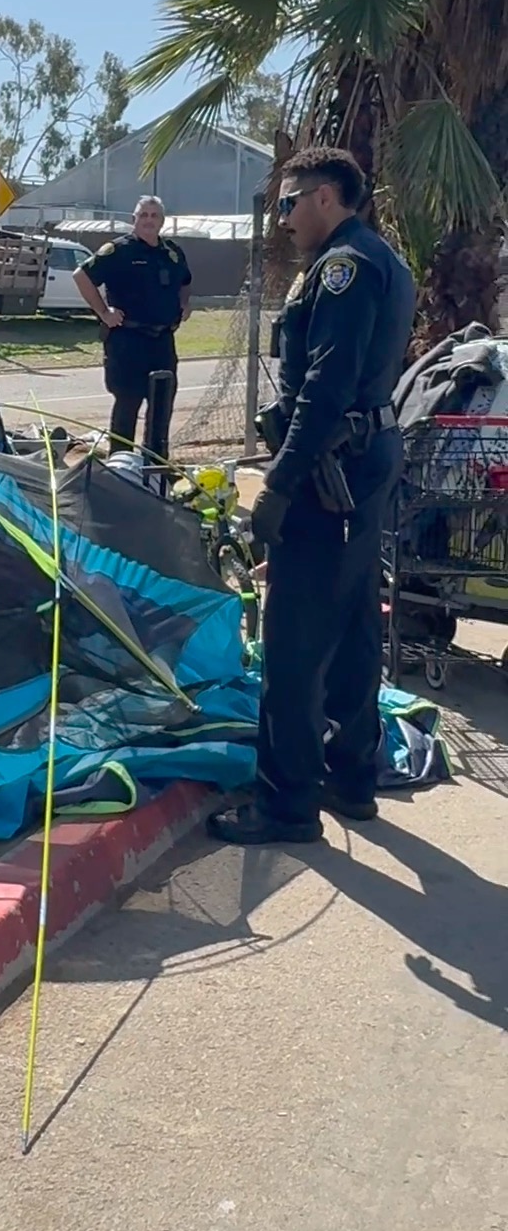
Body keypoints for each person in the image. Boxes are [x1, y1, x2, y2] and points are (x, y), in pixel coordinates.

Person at [208, 144, 416, 848]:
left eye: (290, 202)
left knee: (293, 641)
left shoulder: (344, 270)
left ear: (326, 195)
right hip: (365, 459)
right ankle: (352, 777)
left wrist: (279, 484)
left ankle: (286, 804)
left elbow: (324, 390)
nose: (284, 218)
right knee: (356, 623)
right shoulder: (378, 258)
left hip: (332, 470)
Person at [73, 195, 192, 457]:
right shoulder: (119, 250)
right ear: (134, 219)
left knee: (162, 405)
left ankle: (156, 464)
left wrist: (184, 304)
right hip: (128, 341)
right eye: (144, 215)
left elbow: (185, 281)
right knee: (128, 404)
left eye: (154, 215)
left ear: (162, 221)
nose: (149, 220)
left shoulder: (172, 253)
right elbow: (81, 275)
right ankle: (121, 464)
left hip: (162, 341)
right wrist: (104, 312)